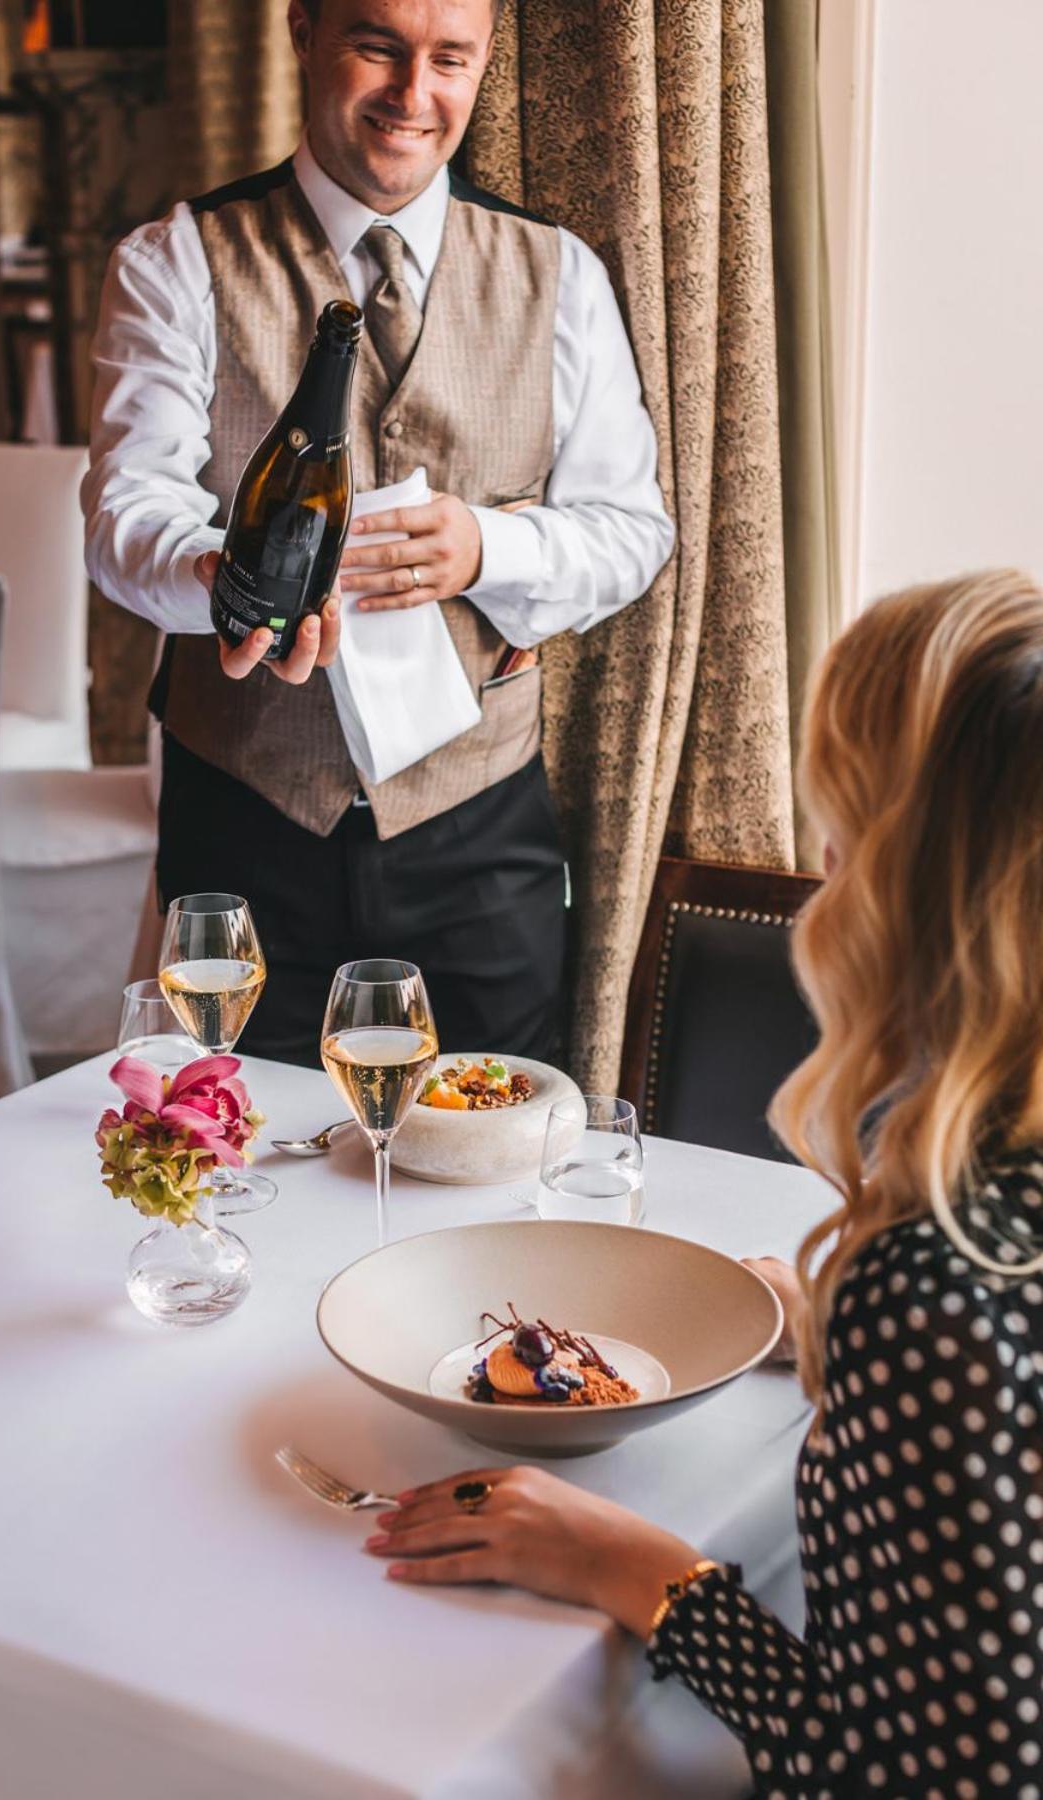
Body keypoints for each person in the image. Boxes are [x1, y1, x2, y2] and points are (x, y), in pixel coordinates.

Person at [365, 570, 1043, 1797]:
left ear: (903, 872)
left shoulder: (938, 1292)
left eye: (840, 810)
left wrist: (635, 1568)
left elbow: (907, 1778)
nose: (820, 858)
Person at [82, 0, 674, 1067]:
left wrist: (487, 550)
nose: (415, 95)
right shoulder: (175, 261)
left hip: (478, 837)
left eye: (452, 59)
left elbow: (633, 531)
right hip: (245, 832)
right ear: (302, 32)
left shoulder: (561, 275)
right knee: (233, 1155)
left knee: (492, 1181)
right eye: (378, 49)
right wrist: (229, 574)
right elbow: (126, 518)